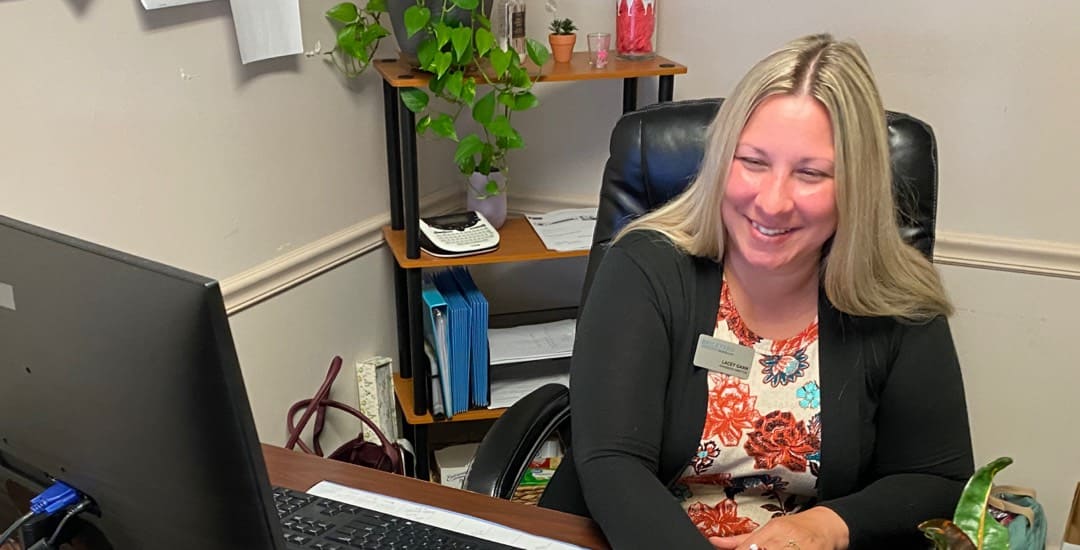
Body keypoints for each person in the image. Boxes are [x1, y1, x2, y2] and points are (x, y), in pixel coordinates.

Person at [538, 33, 975, 549]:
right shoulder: (645, 265)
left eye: (810, 173)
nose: (772, 202)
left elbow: (936, 480)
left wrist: (822, 526)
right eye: (754, 162)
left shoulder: (898, 301)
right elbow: (613, 463)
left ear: (857, 185)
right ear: (723, 159)